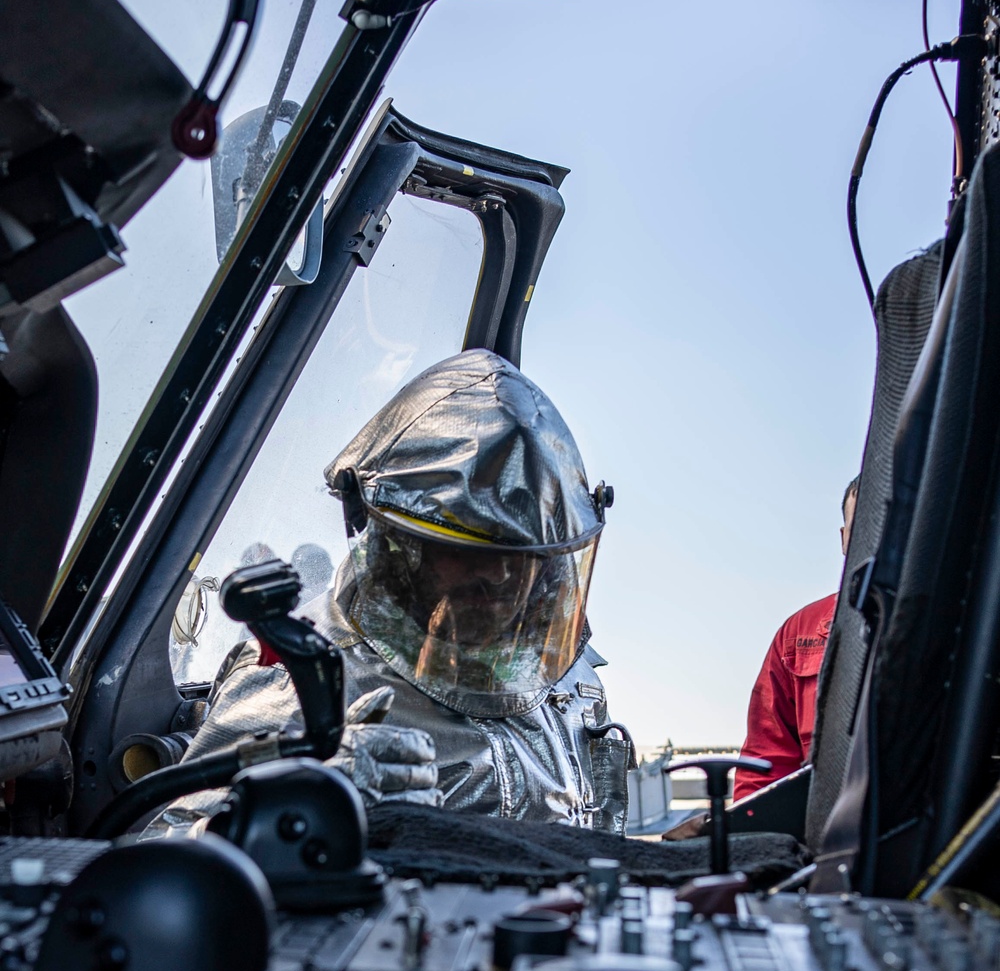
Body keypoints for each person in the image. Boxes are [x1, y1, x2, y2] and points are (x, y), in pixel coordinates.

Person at [153, 351, 633, 835]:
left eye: (528, 557)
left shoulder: (566, 683)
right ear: (394, 545)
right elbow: (162, 865)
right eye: (469, 545)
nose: (505, 576)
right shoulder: (301, 691)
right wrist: (291, 814)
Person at [731, 476, 859, 801]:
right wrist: (750, 840)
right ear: (844, 540)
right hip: (827, 838)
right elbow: (764, 768)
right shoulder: (799, 633)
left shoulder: (972, 620)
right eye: (863, 529)